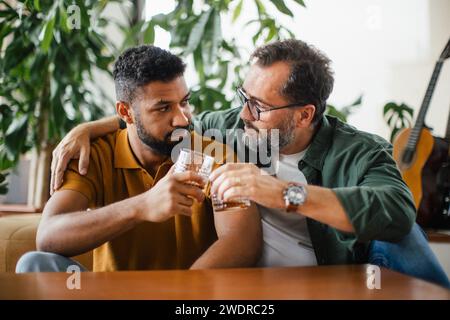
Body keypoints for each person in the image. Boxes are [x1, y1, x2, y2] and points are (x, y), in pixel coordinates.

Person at [48, 40, 449, 287]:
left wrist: (284, 193)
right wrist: (90, 126)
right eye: (244, 96)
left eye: (258, 105)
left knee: (405, 233)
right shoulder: (226, 129)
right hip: (251, 288)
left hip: (327, 279)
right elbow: (157, 120)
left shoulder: (359, 151)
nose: (243, 112)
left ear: (305, 114)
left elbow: (397, 211)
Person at [15, 45, 261, 273]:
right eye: (163, 108)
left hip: (187, 298)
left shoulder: (215, 154)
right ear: (125, 112)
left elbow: (242, 242)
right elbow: (48, 236)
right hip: (110, 295)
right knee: (34, 263)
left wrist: (182, 296)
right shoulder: (94, 154)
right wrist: (142, 206)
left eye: (184, 102)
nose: (182, 119)